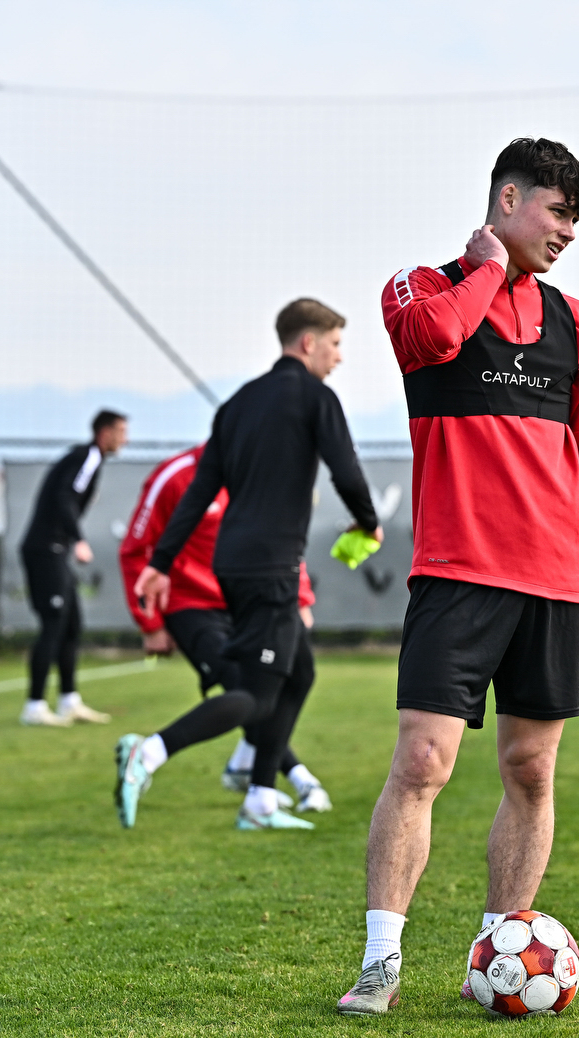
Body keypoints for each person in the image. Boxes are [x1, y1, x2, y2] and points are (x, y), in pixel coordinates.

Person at [338, 138, 579, 1016]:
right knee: (422, 762)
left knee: (531, 772)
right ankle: (381, 963)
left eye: (576, 221)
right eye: (557, 212)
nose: (568, 232)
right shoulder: (421, 288)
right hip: (457, 573)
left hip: (555, 583)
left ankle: (496, 954)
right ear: (508, 199)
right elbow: (435, 339)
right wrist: (488, 270)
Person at [124, 298, 381, 831]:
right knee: (258, 697)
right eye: (335, 345)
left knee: (300, 672)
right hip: (270, 568)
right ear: (308, 342)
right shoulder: (316, 397)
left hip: (232, 564)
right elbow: (346, 470)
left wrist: (162, 562)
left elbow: (199, 493)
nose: (339, 357)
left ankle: (261, 796)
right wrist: (368, 522)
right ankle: (149, 752)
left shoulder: (236, 404)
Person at [117, 444, 332, 816]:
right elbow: (136, 549)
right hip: (191, 605)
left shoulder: (260, 474)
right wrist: (150, 623)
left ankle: (248, 768)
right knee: (247, 688)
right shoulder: (176, 477)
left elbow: (283, 540)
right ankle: (152, 754)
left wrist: (301, 596)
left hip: (249, 604)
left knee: (297, 675)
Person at [17, 409, 127, 727]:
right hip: (45, 550)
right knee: (53, 624)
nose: (125, 439)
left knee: (71, 625)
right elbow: (64, 496)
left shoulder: (91, 460)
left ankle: (69, 701)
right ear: (104, 433)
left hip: (57, 551)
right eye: (121, 432)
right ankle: (34, 706)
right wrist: (78, 539)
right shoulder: (87, 457)